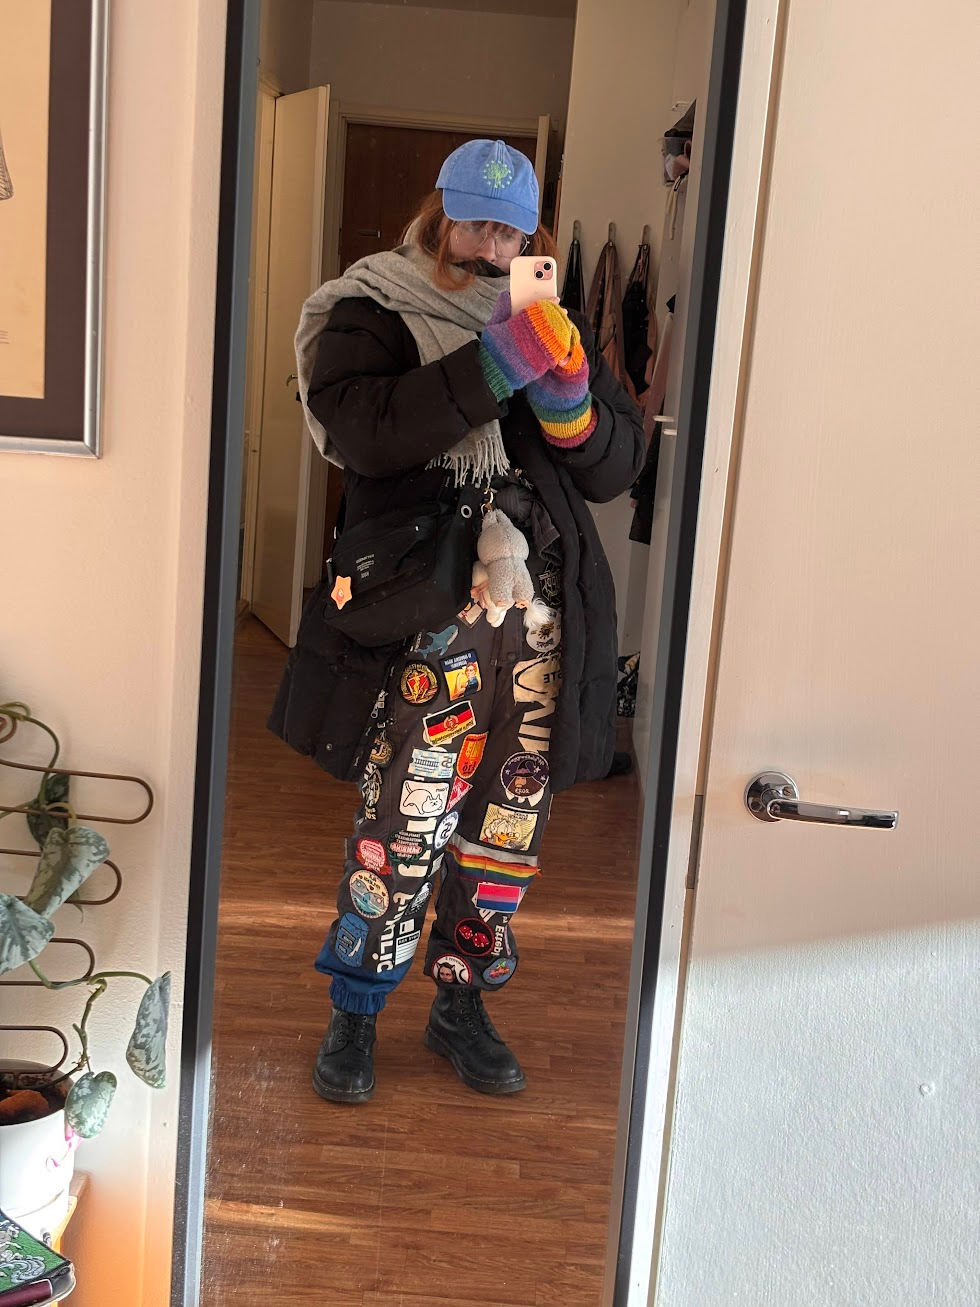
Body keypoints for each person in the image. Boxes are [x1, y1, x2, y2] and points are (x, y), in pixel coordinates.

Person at [270, 139, 644, 1104]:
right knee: (403, 820)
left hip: (540, 625)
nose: (492, 247)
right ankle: (357, 1007)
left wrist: (567, 399)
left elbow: (614, 468)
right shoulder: (370, 306)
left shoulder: (545, 316)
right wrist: (493, 364)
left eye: (511, 232)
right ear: (440, 214)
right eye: (476, 224)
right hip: (428, 620)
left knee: (507, 825)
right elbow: (366, 433)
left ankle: (460, 1001)